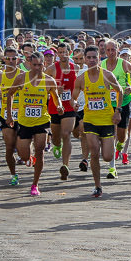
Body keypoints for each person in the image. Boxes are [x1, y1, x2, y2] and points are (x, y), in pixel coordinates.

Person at [70, 45, 124, 198]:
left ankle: (107, 147)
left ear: (99, 58)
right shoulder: (81, 78)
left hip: (106, 120)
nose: (92, 60)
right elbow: (73, 97)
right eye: (89, 58)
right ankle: (97, 186)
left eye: (95, 57)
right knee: (94, 152)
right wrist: (73, 104)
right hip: (90, 120)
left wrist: (118, 111)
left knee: (107, 156)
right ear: (85, 59)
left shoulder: (107, 75)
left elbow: (119, 90)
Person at [6, 51, 61, 197]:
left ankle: (35, 184)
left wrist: (59, 105)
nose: (37, 68)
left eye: (40, 65)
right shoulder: (21, 78)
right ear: (30, 64)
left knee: (40, 150)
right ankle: (28, 158)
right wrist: (10, 115)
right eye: (34, 65)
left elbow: (56, 97)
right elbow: (9, 94)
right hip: (24, 122)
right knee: (24, 156)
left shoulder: (49, 80)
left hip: (42, 121)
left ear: (44, 64)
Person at [102, 40, 131, 169]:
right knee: (110, 135)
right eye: (108, 50)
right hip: (108, 104)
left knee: (121, 136)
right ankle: (112, 167)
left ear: (117, 50)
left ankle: (120, 146)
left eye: (113, 50)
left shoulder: (124, 64)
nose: (110, 53)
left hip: (124, 102)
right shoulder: (102, 64)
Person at [47, 43, 79, 180]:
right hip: (55, 107)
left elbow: (80, 86)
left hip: (69, 107)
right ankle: (57, 145)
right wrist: (53, 90)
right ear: (57, 54)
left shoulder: (75, 68)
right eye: (60, 52)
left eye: (65, 52)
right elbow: (43, 88)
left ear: (69, 52)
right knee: (56, 138)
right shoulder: (51, 69)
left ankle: (65, 166)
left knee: (66, 134)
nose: (62, 55)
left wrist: (77, 101)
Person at [0, 47, 24, 186]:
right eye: (8, 58)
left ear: (18, 59)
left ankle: (27, 156)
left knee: (22, 149)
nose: (11, 61)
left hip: (23, 116)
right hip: (6, 115)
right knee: (9, 147)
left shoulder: (24, 75)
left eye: (14, 58)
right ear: (4, 59)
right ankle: (13, 174)